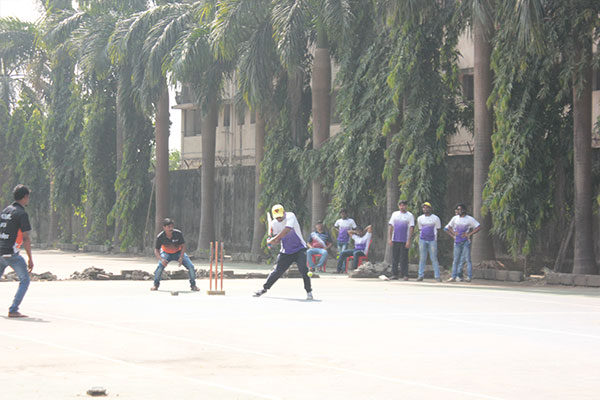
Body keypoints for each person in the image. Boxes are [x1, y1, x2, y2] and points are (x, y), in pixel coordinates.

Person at [254, 204, 313, 300]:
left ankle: (309, 291)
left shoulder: (291, 216)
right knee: (277, 271)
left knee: (303, 269)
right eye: (277, 217)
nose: (279, 219)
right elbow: (278, 240)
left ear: (284, 212)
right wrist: (272, 242)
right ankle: (264, 288)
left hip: (300, 249)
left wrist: (274, 238)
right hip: (286, 251)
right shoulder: (274, 223)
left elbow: (287, 230)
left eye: (280, 216)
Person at [0, 184, 34, 318]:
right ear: (25, 197)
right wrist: (30, 258)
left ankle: (14, 309)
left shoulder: (5, 211)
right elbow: (26, 238)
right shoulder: (21, 214)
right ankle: (13, 309)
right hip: (11, 253)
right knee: (25, 280)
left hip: (1, 251)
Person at [151, 218, 199, 291]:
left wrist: (181, 257)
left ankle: (193, 285)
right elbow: (156, 250)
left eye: (172, 227)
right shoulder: (160, 237)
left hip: (178, 252)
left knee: (191, 267)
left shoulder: (178, 233)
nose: (171, 229)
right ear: (164, 227)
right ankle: (156, 285)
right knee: (160, 266)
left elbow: (183, 246)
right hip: (166, 253)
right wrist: (161, 259)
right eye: (169, 227)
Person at [444, 203, 481, 282]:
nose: (459, 211)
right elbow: (447, 228)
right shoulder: (455, 218)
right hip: (457, 242)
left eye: (460, 209)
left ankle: (469, 276)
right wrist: (453, 234)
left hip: (465, 242)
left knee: (467, 259)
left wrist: (469, 234)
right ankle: (453, 276)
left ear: (464, 210)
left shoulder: (469, 219)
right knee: (456, 260)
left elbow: (478, 227)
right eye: (458, 209)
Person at [388, 200, 415, 280]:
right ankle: (394, 274)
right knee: (395, 257)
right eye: (400, 205)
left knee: (404, 258)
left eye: (404, 205)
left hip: (404, 240)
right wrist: (389, 238)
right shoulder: (395, 214)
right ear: (398, 206)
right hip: (395, 239)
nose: (402, 207)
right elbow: (390, 226)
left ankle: (405, 275)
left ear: (406, 206)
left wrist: (409, 240)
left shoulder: (410, 215)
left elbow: (411, 228)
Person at [416, 202, 441, 282]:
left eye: (427, 207)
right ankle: (420, 275)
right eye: (424, 207)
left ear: (430, 208)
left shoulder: (435, 218)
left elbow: (438, 229)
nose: (425, 209)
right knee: (422, 258)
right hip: (422, 239)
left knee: (434, 258)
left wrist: (435, 237)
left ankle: (437, 276)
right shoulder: (420, 218)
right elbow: (420, 229)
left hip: (432, 240)